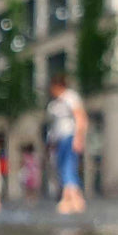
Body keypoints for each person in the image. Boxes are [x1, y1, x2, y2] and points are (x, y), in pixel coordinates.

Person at [47, 74, 88, 214]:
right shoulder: (55, 103)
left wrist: (79, 138)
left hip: (69, 136)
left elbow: (80, 118)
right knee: (63, 167)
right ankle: (75, 199)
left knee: (68, 166)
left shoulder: (70, 97)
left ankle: (68, 199)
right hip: (59, 139)